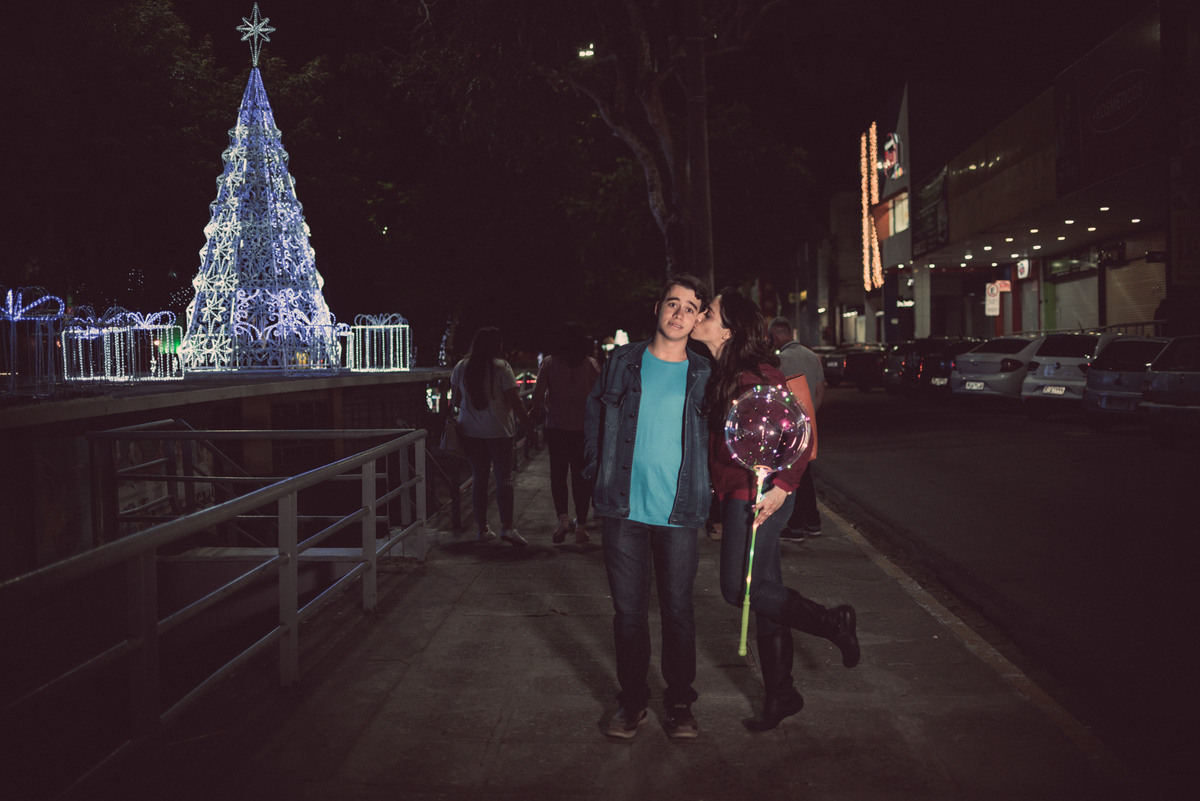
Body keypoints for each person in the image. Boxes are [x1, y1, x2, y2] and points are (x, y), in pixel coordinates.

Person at [691, 289, 859, 732]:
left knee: (737, 589)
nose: (700, 315)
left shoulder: (756, 376)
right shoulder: (727, 372)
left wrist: (784, 487)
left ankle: (833, 622)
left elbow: (800, 433)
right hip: (740, 494)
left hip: (759, 496)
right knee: (766, 591)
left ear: (728, 330)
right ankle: (781, 695)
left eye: (708, 312)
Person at [583, 274, 712, 740]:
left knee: (678, 611)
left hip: (679, 512)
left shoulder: (705, 372)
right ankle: (632, 701)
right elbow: (594, 417)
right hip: (624, 511)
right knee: (629, 614)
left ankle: (679, 703)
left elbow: (718, 436)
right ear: (658, 308)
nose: (679, 314)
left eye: (690, 308)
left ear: (698, 319)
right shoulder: (622, 362)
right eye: (673, 303)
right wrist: (595, 469)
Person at [450, 326, 532, 546]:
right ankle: (508, 527)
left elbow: (455, 400)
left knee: (479, 478)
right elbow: (515, 400)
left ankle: (482, 529)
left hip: (470, 431)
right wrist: (528, 425)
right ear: (497, 345)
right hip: (499, 431)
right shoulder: (502, 367)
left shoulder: (461, 367)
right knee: (503, 478)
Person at [531, 326, 601, 544]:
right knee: (581, 477)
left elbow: (537, 396)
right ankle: (581, 526)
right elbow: (602, 394)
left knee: (558, 475)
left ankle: (562, 519)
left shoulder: (550, 363)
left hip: (556, 428)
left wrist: (533, 417)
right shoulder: (589, 364)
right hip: (582, 429)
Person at [767, 316, 826, 541]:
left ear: (774, 335)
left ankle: (796, 526)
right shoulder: (812, 356)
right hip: (809, 423)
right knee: (806, 473)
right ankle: (813, 522)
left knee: (791, 476)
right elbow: (820, 391)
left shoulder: (779, 360)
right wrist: (809, 416)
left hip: (788, 426)